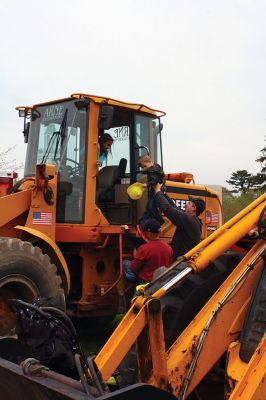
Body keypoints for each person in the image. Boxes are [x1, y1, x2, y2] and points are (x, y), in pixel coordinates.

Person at [154, 182, 206, 260]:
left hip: (182, 263)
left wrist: (157, 191)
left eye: (188, 203)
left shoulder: (190, 220)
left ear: (193, 208)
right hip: (182, 260)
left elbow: (168, 209)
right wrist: (163, 193)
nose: (185, 205)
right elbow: (174, 207)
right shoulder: (192, 220)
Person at [122, 218, 173, 283]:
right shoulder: (168, 247)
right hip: (163, 282)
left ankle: (132, 280)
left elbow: (134, 268)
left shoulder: (144, 248)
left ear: (148, 233)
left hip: (147, 283)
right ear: (159, 232)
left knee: (126, 263)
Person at [138, 155, 165, 225]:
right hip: (153, 190)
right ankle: (142, 221)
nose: (144, 169)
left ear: (150, 162)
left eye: (145, 166)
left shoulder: (152, 170)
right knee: (148, 207)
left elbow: (154, 181)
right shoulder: (155, 168)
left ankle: (160, 220)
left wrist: (146, 185)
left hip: (156, 191)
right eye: (142, 167)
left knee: (151, 207)